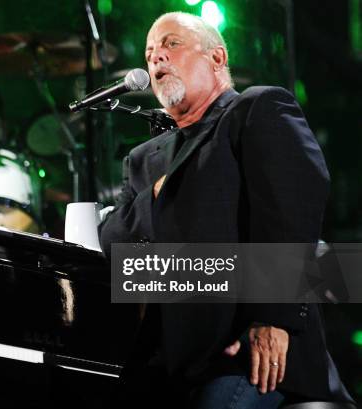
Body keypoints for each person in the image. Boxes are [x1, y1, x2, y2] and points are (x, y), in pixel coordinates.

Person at [99, 12, 355, 408]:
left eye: (171, 44)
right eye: (150, 53)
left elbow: (291, 212)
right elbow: (117, 249)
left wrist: (274, 317)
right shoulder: (143, 160)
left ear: (217, 59)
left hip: (249, 356)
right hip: (169, 363)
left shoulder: (255, 109)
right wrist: (157, 197)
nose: (155, 59)